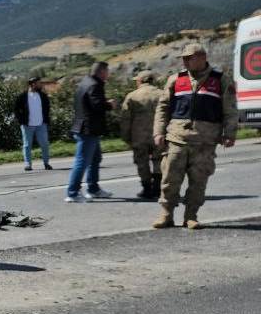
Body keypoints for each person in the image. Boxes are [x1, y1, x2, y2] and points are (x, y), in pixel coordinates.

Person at [152, 43, 238, 229]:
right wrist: (158, 132)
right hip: (177, 138)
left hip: (205, 141)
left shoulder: (221, 80)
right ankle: (166, 214)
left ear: (202, 57)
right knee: (170, 178)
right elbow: (163, 108)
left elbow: (230, 110)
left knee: (198, 181)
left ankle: (191, 216)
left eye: (189, 57)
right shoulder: (175, 79)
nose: (185, 61)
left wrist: (229, 133)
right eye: (183, 58)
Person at [65, 61, 114, 202]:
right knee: (82, 161)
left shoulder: (85, 82)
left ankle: (93, 189)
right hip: (88, 129)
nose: (108, 74)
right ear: (102, 72)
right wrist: (109, 104)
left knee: (95, 159)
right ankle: (73, 193)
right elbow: (97, 105)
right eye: (107, 71)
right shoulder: (95, 85)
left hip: (84, 127)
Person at [119, 71, 164, 199]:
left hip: (139, 135)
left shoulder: (132, 96)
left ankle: (146, 188)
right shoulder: (162, 94)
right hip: (158, 133)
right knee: (159, 160)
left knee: (141, 161)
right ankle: (157, 187)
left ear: (140, 81)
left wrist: (126, 136)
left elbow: (125, 119)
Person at [14, 76, 53, 171]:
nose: (41, 85)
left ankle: (46, 163)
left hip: (41, 124)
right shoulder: (22, 96)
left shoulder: (43, 96)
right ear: (33, 84)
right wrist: (21, 121)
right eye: (39, 83)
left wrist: (46, 120)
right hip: (27, 125)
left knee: (44, 144)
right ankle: (28, 164)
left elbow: (47, 108)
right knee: (27, 145)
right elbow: (16, 109)